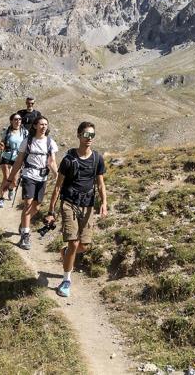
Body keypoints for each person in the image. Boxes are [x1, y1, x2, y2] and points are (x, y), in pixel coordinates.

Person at [46, 121, 108, 298]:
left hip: (87, 205)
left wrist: (104, 203)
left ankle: (66, 253)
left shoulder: (97, 159)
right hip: (69, 203)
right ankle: (66, 280)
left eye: (92, 135)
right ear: (79, 135)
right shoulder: (68, 160)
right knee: (73, 242)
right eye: (86, 135)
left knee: (84, 246)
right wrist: (51, 211)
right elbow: (58, 187)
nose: (89, 139)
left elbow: (101, 184)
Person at [1, 116, 59, 250]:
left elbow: (52, 161)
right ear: (34, 126)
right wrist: (9, 179)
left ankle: (23, 224)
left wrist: (56, 174)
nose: (43, 127)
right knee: (28, 203)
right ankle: (25, 235)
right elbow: (19, 161)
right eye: (41, 124)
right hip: (29, 175)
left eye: (45, 124)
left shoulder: (50, 142)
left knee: (36, 206)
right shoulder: (27, 142)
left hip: (42, 177)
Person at [0, 113, 26, 207]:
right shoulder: (7, 132)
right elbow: (2, 142)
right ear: (11, 121)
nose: (18, 121)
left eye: (19, 119)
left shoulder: (25, 132)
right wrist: (1, 145)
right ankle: (1, 198)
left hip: (18, 157)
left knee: (14, 180)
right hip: (6, 156)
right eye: (16, 119)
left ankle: (11, 189)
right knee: (6, 177)